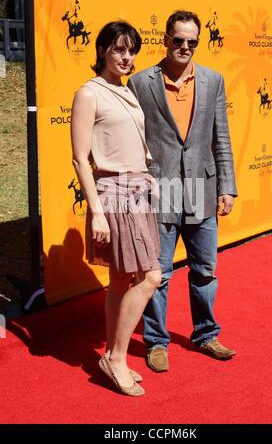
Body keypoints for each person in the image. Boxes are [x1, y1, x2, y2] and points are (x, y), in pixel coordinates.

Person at [127, 10, 237, 372]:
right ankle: (156, 342)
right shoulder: (141, 83)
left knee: (205, 269)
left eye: (192, 41)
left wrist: (228, 188)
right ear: (166, 40)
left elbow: (221, 137)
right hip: (161, 191)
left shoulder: (213, 80)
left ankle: (206, 333)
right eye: (179, 40)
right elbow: (132, 140)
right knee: (156, 276)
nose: (185, 47)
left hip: (202, 189)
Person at [71, 21, 161, 395]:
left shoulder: (125, 91)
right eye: (119, 49)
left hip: (138, 190)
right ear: (102, 51)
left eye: (131, 50)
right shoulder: (89, 94)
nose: (127, 57)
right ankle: (117, 357)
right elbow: (79, 160)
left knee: (122, 282)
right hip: (114, 195)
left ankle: (111, 353)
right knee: (151, 277)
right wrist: (98, 212)